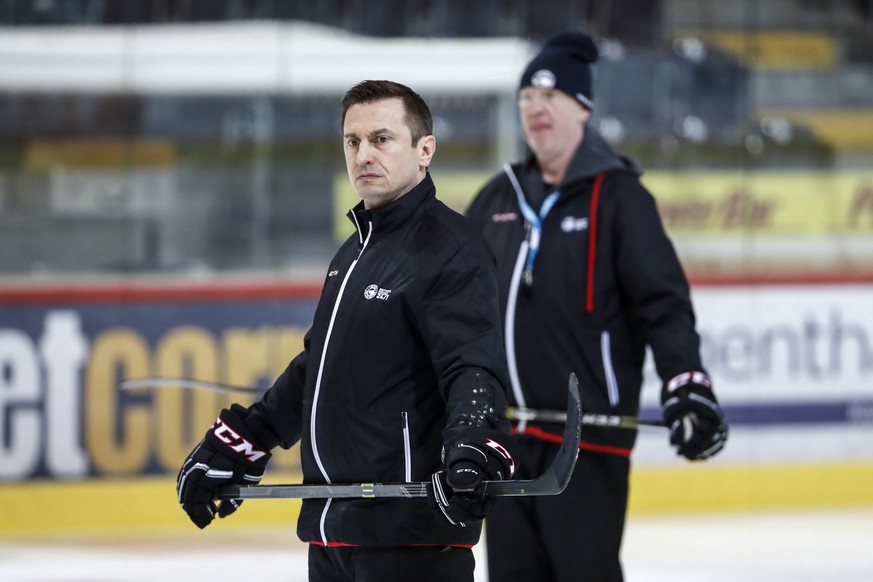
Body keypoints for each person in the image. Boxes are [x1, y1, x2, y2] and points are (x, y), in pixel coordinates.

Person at [176, 80, 518, 582]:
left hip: (408, 538)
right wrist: (247, 438)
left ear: (425, 151)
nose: (363, 155)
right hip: (334, 531)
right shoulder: (356, 252)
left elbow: (471, 365)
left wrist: (473, 443)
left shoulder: (450, 249)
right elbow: (317, 370)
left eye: (382, 139)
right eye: (352, 141)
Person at [464, 32, 729, 581]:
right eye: (526, 99)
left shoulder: (621, 197)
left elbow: (664, 304)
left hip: (588, 440)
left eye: (550, 97)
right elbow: (456, 309)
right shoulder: (498, 197)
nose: (535, 109)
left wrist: (686, 380)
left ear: (582, 108)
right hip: (505, 440)